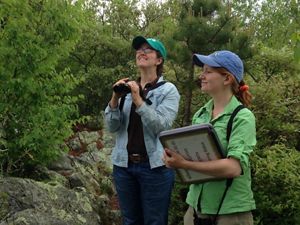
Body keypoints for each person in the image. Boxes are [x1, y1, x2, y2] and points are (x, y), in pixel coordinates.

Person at [163, 50, 256, 225]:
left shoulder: (243, 117)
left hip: (230, 213)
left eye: (208, 71)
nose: (201, 76)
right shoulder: (201, 114)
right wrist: (173, 158)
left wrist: (184, 164)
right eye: (202, 71)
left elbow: (233, 168)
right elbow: (196, 155)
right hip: (195, 210)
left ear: (227, 79)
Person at [104, 36, 180, 225]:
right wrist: (115, 98)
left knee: (154, 221)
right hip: (124, 166)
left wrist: (138, 99)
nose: (142, 52)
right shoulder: (126, 88)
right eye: (139, 49)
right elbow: (112, 127)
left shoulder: (168, 90)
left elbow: (161, 126)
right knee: (130, 221)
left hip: (155, 167)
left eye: (148, 50)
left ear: (159, 60)